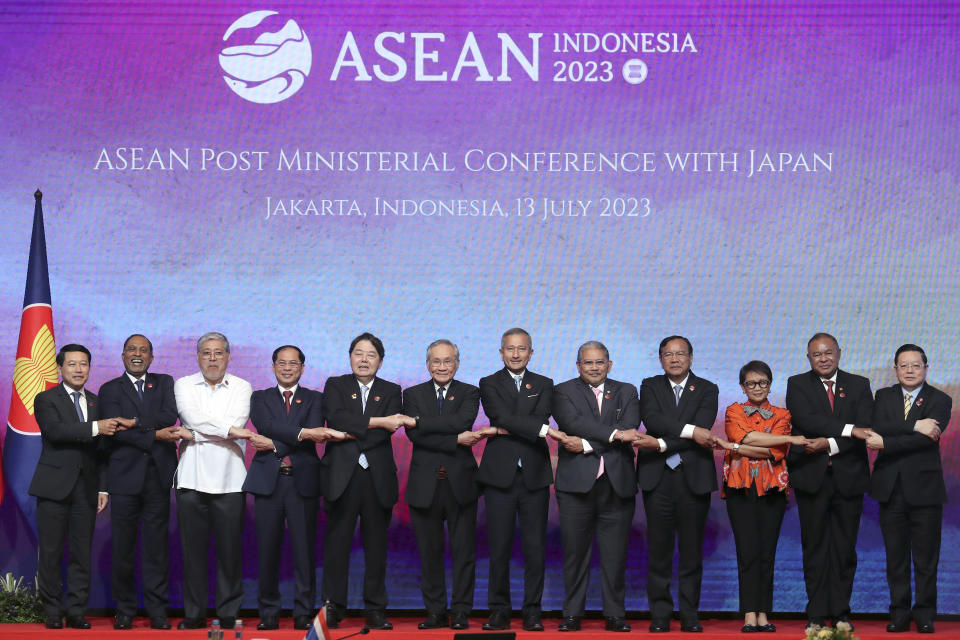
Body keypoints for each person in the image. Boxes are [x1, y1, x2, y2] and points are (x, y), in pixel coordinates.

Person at [551, 340, 650, 633]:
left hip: (617, 483)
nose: (594, 368)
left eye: (599, 362)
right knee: (574, 554)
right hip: (575, 486)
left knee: (615, 554)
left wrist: (583, 443)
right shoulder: (563, 391)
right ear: (578, 365)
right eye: (588, 363)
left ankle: (615, 614)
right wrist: (616, 434)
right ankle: (572, 613)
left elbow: (631, 425)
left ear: (609, 364)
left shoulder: (628, 391)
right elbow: (571, 421)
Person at [30, 344, 128, 629]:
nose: (78, 369)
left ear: (89, 368)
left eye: (83, 364)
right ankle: (51, 611)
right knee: (50, 552)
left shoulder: (98, 402)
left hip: (86, 488)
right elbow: (56, 431)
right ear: (60, 368)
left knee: (81, 553)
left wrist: (103, 488)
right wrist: (97, 427)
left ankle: (76, 611)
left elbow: (103, 453)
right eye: (72, 364)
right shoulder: (45, 399)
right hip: (53, 487)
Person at [785, 332, 873, 631]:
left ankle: (841, 613)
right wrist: (847, 430)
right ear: (809, 358)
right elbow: (807, 421)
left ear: (839, 353)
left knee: (845, 550)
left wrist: (831, 444)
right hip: (812, 478)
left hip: (849, 478)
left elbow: (865, 429)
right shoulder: (797, 384)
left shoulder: (859, 385)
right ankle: (815, 612)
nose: (823, 358)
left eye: (828, 353)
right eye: (816, 354)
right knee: (814, 548)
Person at [320, 333, 408, 630]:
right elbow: (335, 417)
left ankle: (375, 609)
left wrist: (359, 426)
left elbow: (388, 429)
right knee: (336, 546)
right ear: (350, 357)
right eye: (358, 353)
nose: (364, 359)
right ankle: (333, 607)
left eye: (371, 355)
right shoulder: (336, 385)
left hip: (376, 476)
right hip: (342, 476)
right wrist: (376, 421)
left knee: (376, 547)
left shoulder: (392, 390)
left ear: (380, 361)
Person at [716, 361, 809, 633]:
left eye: (763, 382)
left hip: (772, 489)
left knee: (767, 553)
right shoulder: (734, 410)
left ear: (770, 384)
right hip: (739, 487)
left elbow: (773, 452)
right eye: (751, 383)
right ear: (743, 386)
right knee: (747, 553)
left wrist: (740, 445)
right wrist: (786, 440)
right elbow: (742, 437)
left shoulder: (782, 414)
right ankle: (748, 613)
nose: (757, 388)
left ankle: (763, 613)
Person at [243, 345, 331, 631]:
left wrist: (274, 443)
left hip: (302, 481)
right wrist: (299, 433)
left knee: (304, 551)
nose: (287, 367)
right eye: (282, 362)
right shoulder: (260, 397)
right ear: (273, 366)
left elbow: (315, 433)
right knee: (267, 549)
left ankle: (303, 612)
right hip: (269, 481)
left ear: (303, 368)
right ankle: (269, 612)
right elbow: (264, 424)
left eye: (294, 363)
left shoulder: (315, 399)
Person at [866, 344, 951, 634]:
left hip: (925, 491)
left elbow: (926, 440)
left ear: (926, 368)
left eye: (916, 365)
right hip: (890, 489)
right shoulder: (884, 396)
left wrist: (888, 440)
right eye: (904, 365)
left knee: (926, 559)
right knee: (896, 558)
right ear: (895, 369)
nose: (910, 370)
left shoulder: (940, 399)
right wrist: (916, 425)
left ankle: (925, 613)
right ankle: (899, 614)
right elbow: (878, 424)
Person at [636, 335, 719, 633]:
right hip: (657, 480)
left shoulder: (708, 389)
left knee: (691, 551)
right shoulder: (649, 385)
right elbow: (653, 419)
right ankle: (659, 614)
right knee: (658, 550)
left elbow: (705, 428)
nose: (674, 359)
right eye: (668, 354)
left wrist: (659, 444)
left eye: (680, 354)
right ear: (660, 359)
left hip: (693, 479)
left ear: (691, 358)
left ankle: (689, 614)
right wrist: (689, 431)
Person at [99, 334, 180, 630]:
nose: (137, 354)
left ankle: (158, 610)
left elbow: (169, 416)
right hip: (124, 478)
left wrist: (133, 421)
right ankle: (125, 610)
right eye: (132, 349)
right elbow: (113, 430)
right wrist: (153, 433)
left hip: (157, 476)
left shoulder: (165, 382)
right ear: (122, 356)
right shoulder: (109, 389)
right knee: (123, 547)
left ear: (151, 357)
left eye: (143, 350)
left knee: (156, 548)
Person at [173, 332, 254, 630]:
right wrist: (225, 430)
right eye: (206, 353)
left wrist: (194, 434)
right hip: (191, 478)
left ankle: (229, 612)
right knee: (192, 552)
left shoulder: (243, 387)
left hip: (230, 480)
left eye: (218, 353)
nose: (212, 358)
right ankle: (194, 614)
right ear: (198, 357)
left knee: (230, 552)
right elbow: (192, 416)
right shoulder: (183, 384)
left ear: (228, 356)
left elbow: (239, 422)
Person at [402, 339, 483, 631]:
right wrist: (453, 439)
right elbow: (414, 436)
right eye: (436, 361)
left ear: (457, 364)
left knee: (464, 553)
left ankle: (461, 611)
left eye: (448, 361)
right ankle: (435, 612)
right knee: (429, 553)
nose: (442, 366)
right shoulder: (411, 394)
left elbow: (463, 421)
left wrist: (422, 422)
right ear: (427, 365)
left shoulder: (470, 392)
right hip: (425, 485)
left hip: (461, 484)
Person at [477, 328, 554, 632]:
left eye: (522, 349)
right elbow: (499, 416)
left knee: (535, 547)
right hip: (500, 476)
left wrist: (524, 424)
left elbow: (540, 417)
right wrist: (533, 425)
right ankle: (499, 610)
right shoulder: (489, 383)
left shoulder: (545, 384)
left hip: (534, 474)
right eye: (510, 349)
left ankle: (532, 611)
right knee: (499, 547)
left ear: (531, 353)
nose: (516, 354)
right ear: (501, 352)